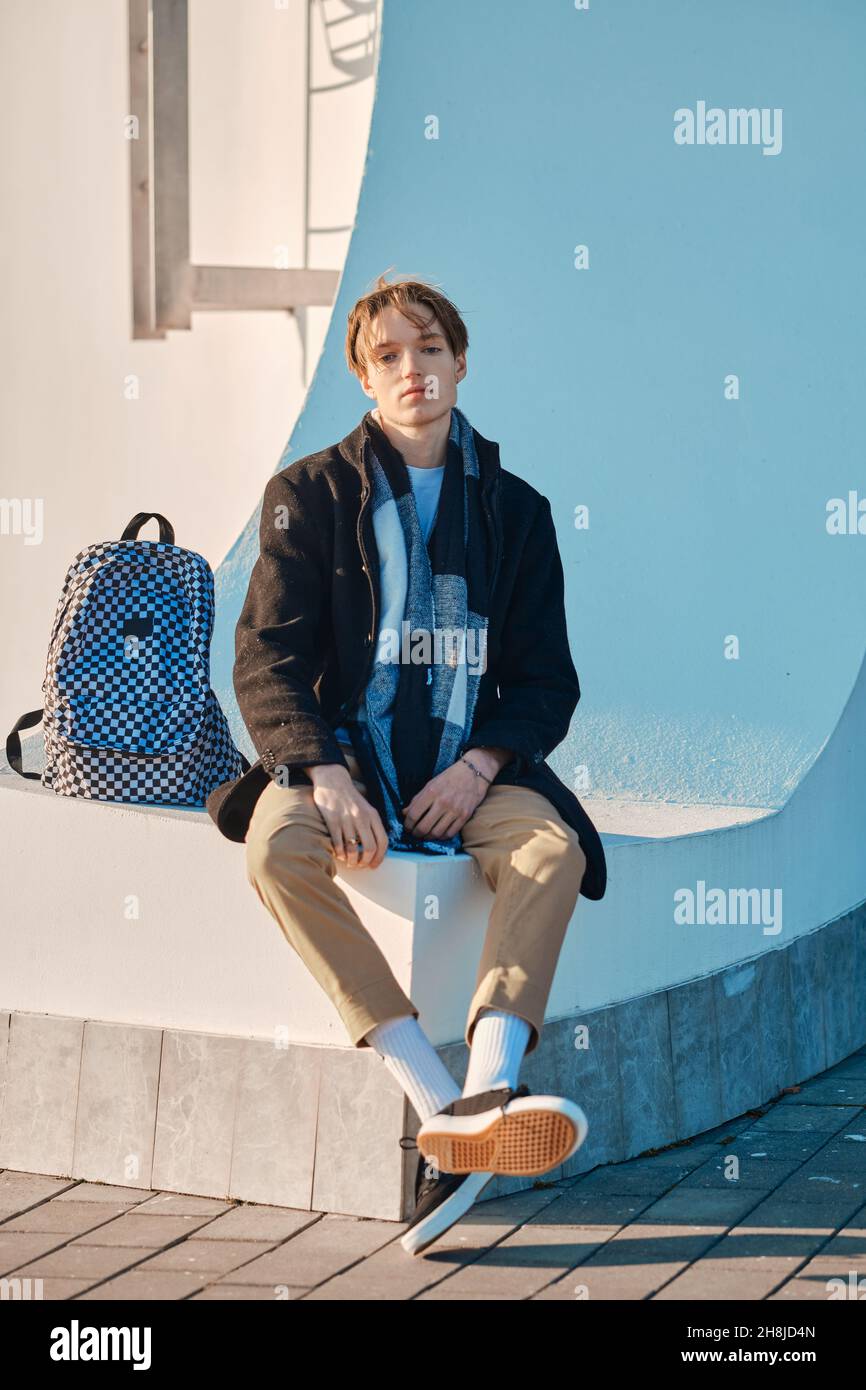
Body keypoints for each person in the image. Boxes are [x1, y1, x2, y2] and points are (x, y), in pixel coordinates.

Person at [209, 273, 607, 1256]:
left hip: (466, 769)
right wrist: (325, 773)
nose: (411, 369)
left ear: (459, 362)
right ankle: (438, 1105)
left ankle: (485, 1089)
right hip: (345, 764)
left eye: (427, 348)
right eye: (387, 355)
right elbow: (265, 658)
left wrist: (478, 766)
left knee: (548, 852)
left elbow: (544, 678)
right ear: (363, 378)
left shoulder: (515, 512)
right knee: (275, 854)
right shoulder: (306, 494)